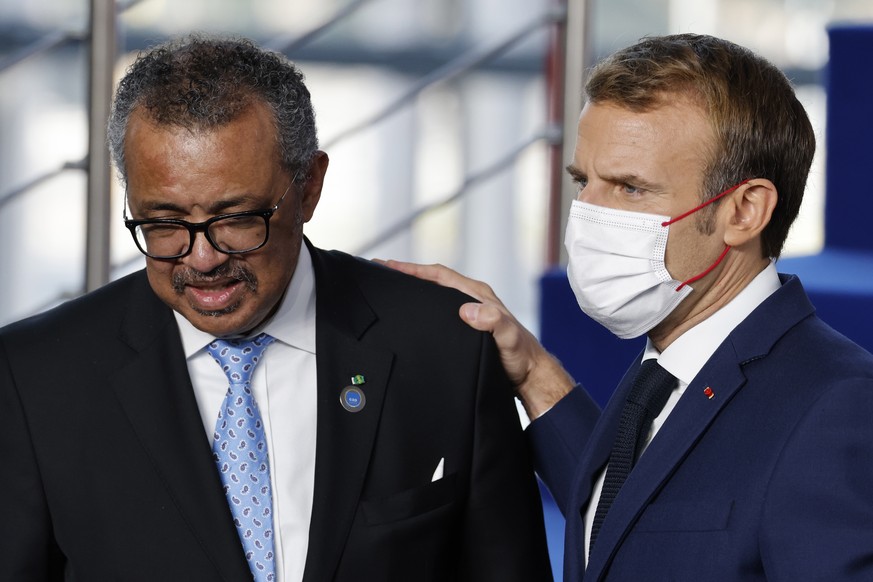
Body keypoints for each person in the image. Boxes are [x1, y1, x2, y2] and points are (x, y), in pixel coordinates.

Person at [0, 35, 552, 581]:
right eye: (163, 223)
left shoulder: (443, 346)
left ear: (309, 186)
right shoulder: (35, 378)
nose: (203, 258)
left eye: (237, 218)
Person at [384, 33, 873, 580]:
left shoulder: (838, 405)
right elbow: (637, 522)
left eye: (630, 188)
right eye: (582, 181)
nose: (586, 215)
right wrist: (533, 372)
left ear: (744, 211)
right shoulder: (664, 369)